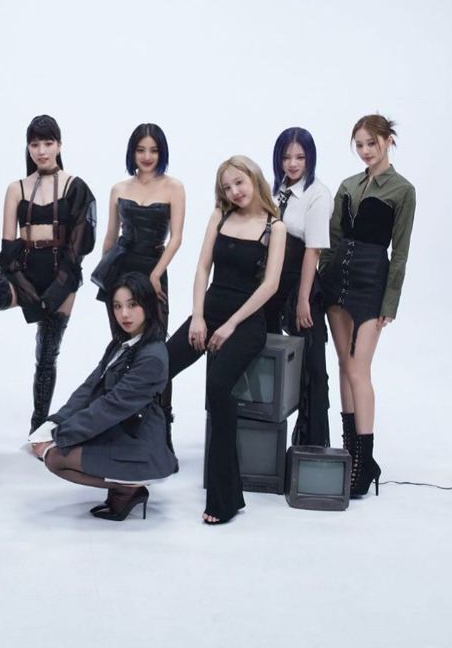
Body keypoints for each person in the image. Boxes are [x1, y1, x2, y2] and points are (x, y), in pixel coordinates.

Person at [0, 115, 96, 432]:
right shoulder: (17, 188)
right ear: (28, 147)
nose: (41, 150)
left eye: (48, 143)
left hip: (61, 277)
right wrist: (24, 288)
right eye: (35, 144)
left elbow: (78, 249)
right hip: (21, 271)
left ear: (59, 145)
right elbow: (8, 246)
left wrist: (54, 293)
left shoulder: (75, 187)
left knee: (47, 354)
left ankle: (39, 425)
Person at [167, 156, 285, 524]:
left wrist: (230, 324)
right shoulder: (220, 216)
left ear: (254, 179)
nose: (234, 191)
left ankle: (225, 498)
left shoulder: (274, 227)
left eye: (239, 183)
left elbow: (270, 285)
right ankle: (142, 460)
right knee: (157, 367)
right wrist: (198, 317)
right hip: (209, 312)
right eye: (227, 186)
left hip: (246, 322)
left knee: (218, 389)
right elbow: (202, 267)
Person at [30, 272, 177, 520]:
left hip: (139, 442)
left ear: (148, 306)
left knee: (55, 459)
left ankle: (129, 488)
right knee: (54, 451)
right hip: (120, 429)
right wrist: (54, 423)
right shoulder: (122, 343)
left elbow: (112, 406)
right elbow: (89, 389)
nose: (124, 315)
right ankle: (123, 488)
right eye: (118, 306)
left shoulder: (152, 355)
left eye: (133, 305)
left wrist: (59, 437)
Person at [319, 115, 415, 497]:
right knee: (344, 364)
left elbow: (401, 251)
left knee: (360, 368)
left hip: (372, 280)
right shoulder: (348, 185)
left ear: (387, 141)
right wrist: (322, 278)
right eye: (359, 144)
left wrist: (390, 302)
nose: (365, 151)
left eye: (371, 143)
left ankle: (366, 459)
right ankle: (350, 452)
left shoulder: (403, 190)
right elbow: (332, 237)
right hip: (338, 278)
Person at [265, 127, 333, 446]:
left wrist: (304, 298)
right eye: (286, 156)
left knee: (313, 367)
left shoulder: (318, 194)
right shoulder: (274, 188)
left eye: (300, 157)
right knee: (266, 356)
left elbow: (313, 250)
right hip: (271, 284)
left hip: (300, 284)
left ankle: (312, 445)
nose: (292, 163)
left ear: (310, 158)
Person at [91, 123, 185, 329]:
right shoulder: (118, 188)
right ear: (132, 152)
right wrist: (105, 273)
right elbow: (110, 236)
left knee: (155, 334)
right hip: (120, 265)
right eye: (140, 150)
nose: (147, 157)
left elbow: (176, 238)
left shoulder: (174, 187)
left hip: (154, 266)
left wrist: (157, 273)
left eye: (154, 150)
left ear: (162, 152)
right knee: (122, 335)